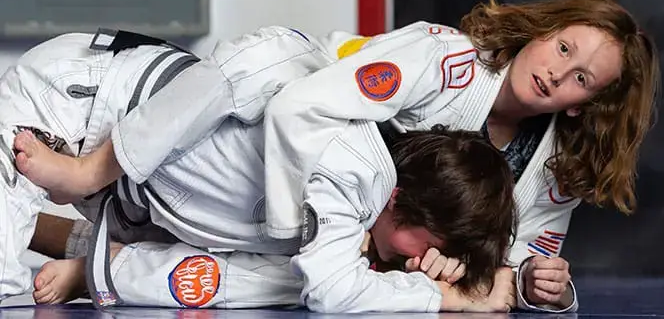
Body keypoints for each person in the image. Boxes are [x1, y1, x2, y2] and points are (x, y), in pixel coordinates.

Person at [15, 0, 660, 312]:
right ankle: (93, 176)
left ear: (585, 105)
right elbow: (300, 107)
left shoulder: (554, 171)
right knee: (309, 267)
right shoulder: (446, 61)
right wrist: (298, 232)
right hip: (282, 128)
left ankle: (93, 258)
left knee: (295, 278)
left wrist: (535, 285)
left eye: (581, 78)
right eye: (563, 48)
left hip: (355, 218)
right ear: (544, 31)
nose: (557, 72)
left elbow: (506, 264)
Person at [29, 125, 517, 312]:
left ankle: (84, 257)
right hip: (162, 186)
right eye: (432, 244)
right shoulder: (343, 184)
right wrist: (443, 298)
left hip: (164, 210)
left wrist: (442, 277)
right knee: (284, 282)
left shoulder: (387, 203)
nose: (428, 257)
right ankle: (100, 268)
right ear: (398, 199)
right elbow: (329, 292)